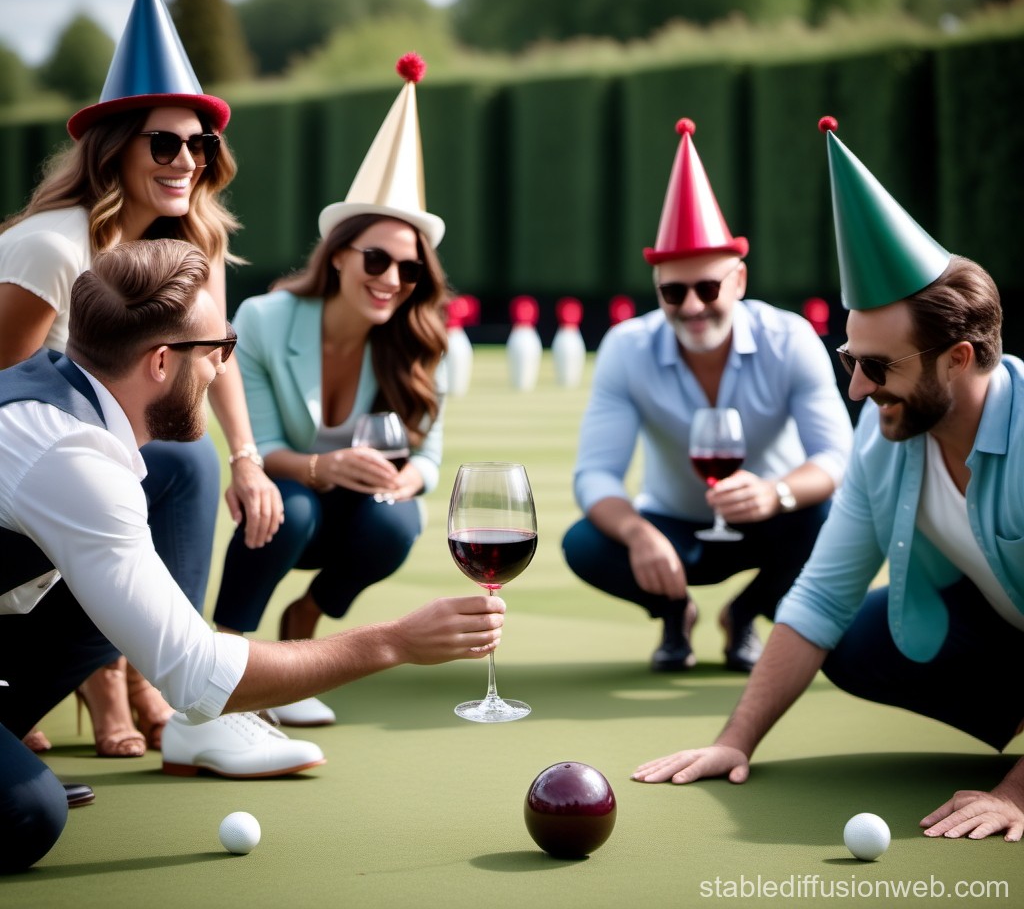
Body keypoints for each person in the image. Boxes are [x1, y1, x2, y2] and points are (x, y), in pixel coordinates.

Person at [0, 238, 504, 874]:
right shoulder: (71, 462)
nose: (222, 370)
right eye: (220, 351)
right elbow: (197, 673)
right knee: (29, 813)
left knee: (173, 486)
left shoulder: (61, 394)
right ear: (160, 361)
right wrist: (395, 642)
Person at [632, 117, 1024, 844]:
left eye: (878, 367)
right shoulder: (886, 435)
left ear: (959, 359)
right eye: (850, 359)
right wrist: (735, 740)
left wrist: (1017, 795)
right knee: (853, 637)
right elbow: (819, 595)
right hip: (1003, 631)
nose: (854, 389)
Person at [0, 0, 282, 763]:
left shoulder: (197, 242)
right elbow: (15, 419)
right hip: (28, 482)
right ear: (116, 148)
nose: (188, 160)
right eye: (167, 142)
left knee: (190, 464)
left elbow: (211, 356)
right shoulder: (49, 250)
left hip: (92, 472)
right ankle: (127, 684)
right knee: (173, 468)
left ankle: (178, 696)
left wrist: (249, 458)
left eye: (202, 145)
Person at [562, 118, 853, 673]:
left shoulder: (789, 337)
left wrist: (776, 494)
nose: (692, 306)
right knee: (586, 544)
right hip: (674, 527)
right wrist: (639, 532)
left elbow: (838, 456)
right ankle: (676, 612)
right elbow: (594, 475)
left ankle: (745, 614)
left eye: (708, 287)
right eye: (673, 291)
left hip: (777, 520)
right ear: (656, 292)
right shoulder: (627, 347)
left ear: (739, 283)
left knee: (836, 517)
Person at [212, 53, 449, 727]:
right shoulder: (264, 319)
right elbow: (258, 444)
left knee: (399, 521)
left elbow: (430, 456)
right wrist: (322, 467)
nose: (392, 279)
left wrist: (412, 481)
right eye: (376, 259)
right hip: (291, 501)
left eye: (408, 270)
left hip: (361, 515)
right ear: (340, 253)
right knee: (294, 507)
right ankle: (226, 664)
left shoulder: (423, 341)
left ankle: (306, 625)